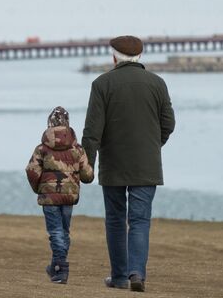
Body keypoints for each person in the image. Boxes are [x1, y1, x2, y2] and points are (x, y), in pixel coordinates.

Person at [82, 36, 175, 292]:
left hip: (113, 164)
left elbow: (92, 132)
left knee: (115, 219)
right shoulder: (157, 83)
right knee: (140, 220)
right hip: (147, 164)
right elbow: (169, 124)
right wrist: (153, 146)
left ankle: (120, 277)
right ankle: (137, 274)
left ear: (114, 57)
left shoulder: (102, 84)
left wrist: (87, 166)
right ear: (139, 57)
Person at [26, 106, 94, 284]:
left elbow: (32, 171)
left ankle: (59, 269)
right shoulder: (77, 150)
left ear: (49, 124)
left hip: (49, 197)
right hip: (69, 197)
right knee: (63, 232)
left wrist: (39, 188)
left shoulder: (42, 149)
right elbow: (87, 175)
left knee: (56, 232)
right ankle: (56, 265)